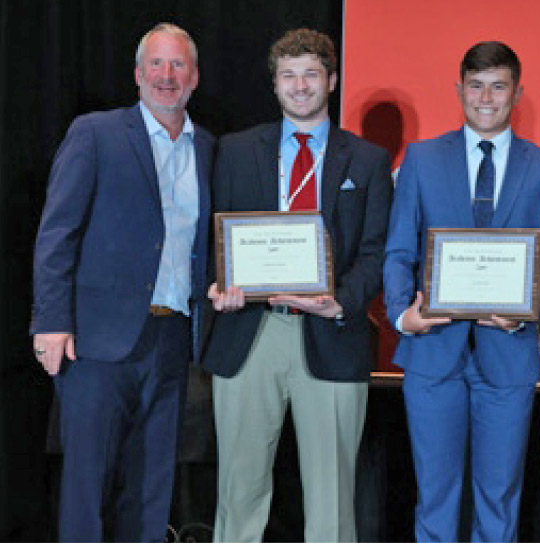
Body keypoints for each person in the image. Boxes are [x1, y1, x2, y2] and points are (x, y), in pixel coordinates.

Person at [202, 28, 393, 542]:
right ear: (275, 84)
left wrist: (340, 303)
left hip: (332, 333)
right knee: (238, 490)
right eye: (289, 75)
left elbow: (377, 251)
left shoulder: (369, 161)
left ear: (330, 81)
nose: (300, 85)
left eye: (311, 73)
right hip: (249, 331)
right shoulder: (234, 151)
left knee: (332, 498)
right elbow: (211, 236)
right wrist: (218, 286)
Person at [30, 23, 213, 541]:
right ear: (137, 75)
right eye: (155, 63)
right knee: (87, 483)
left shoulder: (208, 149)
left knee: (153, 482)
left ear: (194, 77)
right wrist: (50, 323)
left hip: (172, 340)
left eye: (178, 64)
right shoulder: (96, 133)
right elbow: (56, 234)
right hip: (95, 342)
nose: (166, 75)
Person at [383, 41, 540, 542]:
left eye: (498, 86)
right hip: (431, 351)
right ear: (459, 89)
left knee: (499, 493)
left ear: (517, 93)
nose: (486, 97)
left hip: (507, 353)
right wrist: (402, 315)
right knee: (435, 493)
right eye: (476, 85)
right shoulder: (420, 159)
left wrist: (529, 309)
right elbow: (399, 248)